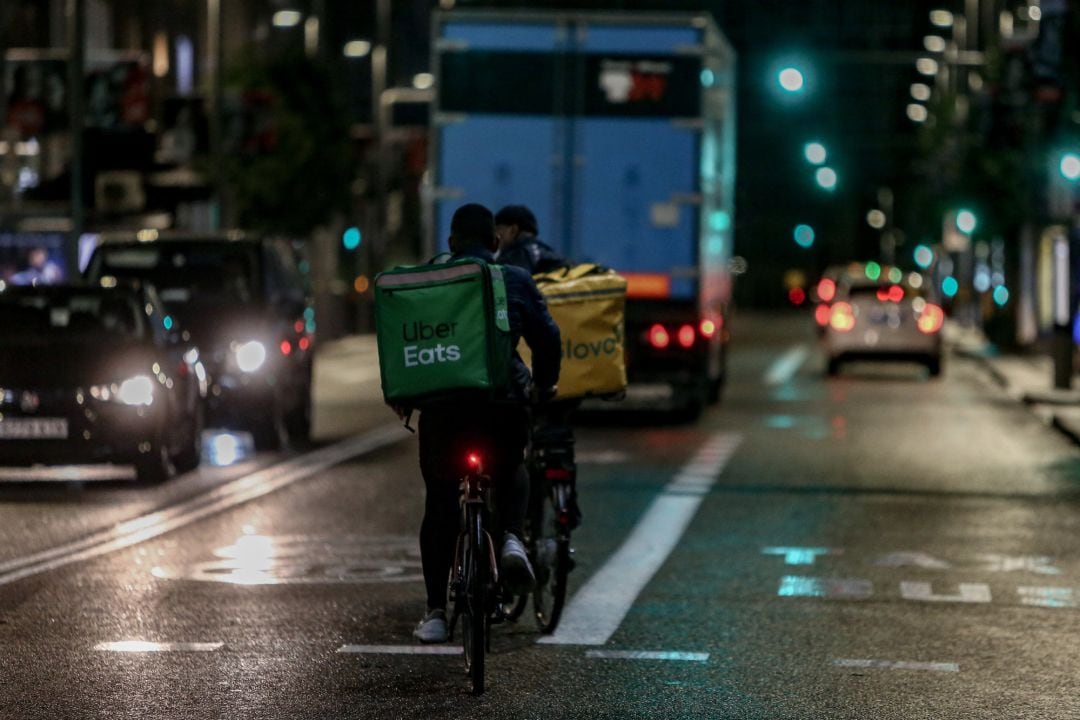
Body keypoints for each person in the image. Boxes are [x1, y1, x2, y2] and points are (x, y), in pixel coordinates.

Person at [409, 203, 561, 644]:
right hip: (503, 404)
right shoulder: (512, 279)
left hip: (444, 410)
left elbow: (407, 343)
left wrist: (403, 396)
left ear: (451, 243)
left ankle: (436, 612)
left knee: (439, 502)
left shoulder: (430, 283)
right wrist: (545, 386)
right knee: (512, 467)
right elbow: (547, 338)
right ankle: (512, 537)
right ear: (496, 244)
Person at [494, 204, 583, 528]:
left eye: (500, 231)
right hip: (571, 369)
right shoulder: (559, 260)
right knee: (558, 438)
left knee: (518, 453)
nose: (497, 239)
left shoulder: (510, 263)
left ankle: (516, 528)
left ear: (514, 230)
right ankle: (566, 503)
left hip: (531, 372)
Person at [494, 205, 567, 275]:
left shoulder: (513, 257)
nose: (495, 235)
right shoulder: (550, 254)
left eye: (498, 229)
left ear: (513, 230)